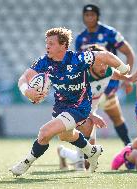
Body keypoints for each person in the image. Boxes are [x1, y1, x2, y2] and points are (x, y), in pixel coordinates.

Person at [9, 27, 130, 176]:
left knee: (44, 132)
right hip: (61, 106)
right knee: (65, 136)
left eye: (51, 43)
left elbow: (104, 56)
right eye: (46, 43)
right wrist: (27, 91)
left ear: (63, 45)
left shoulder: (78, 59)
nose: (47, 46)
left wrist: (124, 68)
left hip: (80, 106)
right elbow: (24, 78)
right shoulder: (44, 62)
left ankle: (25, 163)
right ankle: (91, 151)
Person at [57, 45, 137, 170]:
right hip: (74, 113)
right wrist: (92, 116)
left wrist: (128, 78)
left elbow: (114, 74)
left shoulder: (106, 71)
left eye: (106, 63)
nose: (104, 66)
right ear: (90, 64)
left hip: (90, 114)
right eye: (100, 63)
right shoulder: (80, 77)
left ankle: (63, 152)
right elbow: (73, 103)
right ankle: (76, 159)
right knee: (86, 149)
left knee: (87, 161)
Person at [75, 4, 135, 146]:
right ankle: (79, 156)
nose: (89, 18)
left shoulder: (110, 33)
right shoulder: (80, 39)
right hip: (90, 88)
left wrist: (128, 78)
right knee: (86, 125)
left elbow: (129, 53)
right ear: (83, 17)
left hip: (108, 85)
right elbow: (79, 65)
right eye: (86, 15)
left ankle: (129, 149)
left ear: (98, 16)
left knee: (117, 118)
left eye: (92, 15)